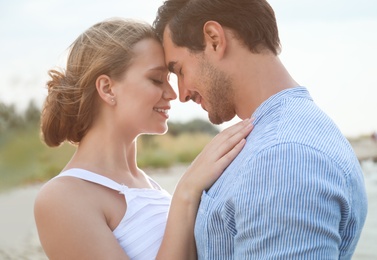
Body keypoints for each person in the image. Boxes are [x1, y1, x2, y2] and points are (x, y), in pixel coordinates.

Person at [153, 0, 368, 259]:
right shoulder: (284, 139)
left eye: (180, 70)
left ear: (214, 40)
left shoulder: (284, 158)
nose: (182, 94)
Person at [34, 18, 254, 260]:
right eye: (156, 79)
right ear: (107, 88)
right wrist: (187, 191)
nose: (173, 94)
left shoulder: (148, 185)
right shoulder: (61, 198)